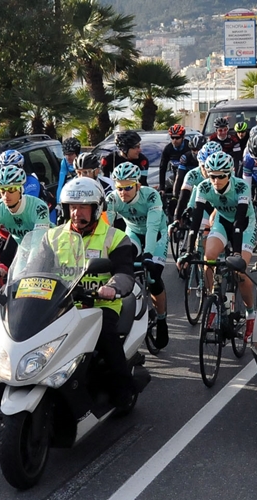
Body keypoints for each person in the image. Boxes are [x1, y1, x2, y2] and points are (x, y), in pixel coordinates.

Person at [45, 177, 143, 408]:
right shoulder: (53, 236)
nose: (76, 212)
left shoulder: (115, 237)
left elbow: (125, 273)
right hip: (62, 305)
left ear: (97, 207)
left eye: (83, 206)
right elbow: (38, 267)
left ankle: (123, 391)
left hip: (101, 305)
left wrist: (112, 288)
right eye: (72, 206)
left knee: (106, 337)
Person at [188, 151, 257, 337]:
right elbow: (195, 220)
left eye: (221, 176)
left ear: (231, 173)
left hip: (244, 224)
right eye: (212, 176)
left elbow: (239, 221)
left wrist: (236, 253)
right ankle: (213, 300)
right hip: (221, 220)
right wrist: (188, 251)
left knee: (240, 272)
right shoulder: (203, 187)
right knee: (209, 256)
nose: (216, 181)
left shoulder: (241, 186)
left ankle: (251, 313)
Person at [105, 162, 170, 349]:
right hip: (132, 232)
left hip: (156, 234)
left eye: (128, 188)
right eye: (119, 188)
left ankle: (162, 319)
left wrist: (148, 254)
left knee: (154, 276)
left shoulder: (151, 196)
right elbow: (107, 229)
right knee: (121, 265)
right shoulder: (112, 199)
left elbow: (152, 228)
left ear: (138, 185)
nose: (123, 192)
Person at [0, 165, 51, 284]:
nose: (6, 195)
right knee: (15, 292)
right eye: (2, 190)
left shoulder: (38, 207)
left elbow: (36, 245)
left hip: (50, 251)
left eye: (11, 189)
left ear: (21, 189)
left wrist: (28, 273)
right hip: (25, 253)